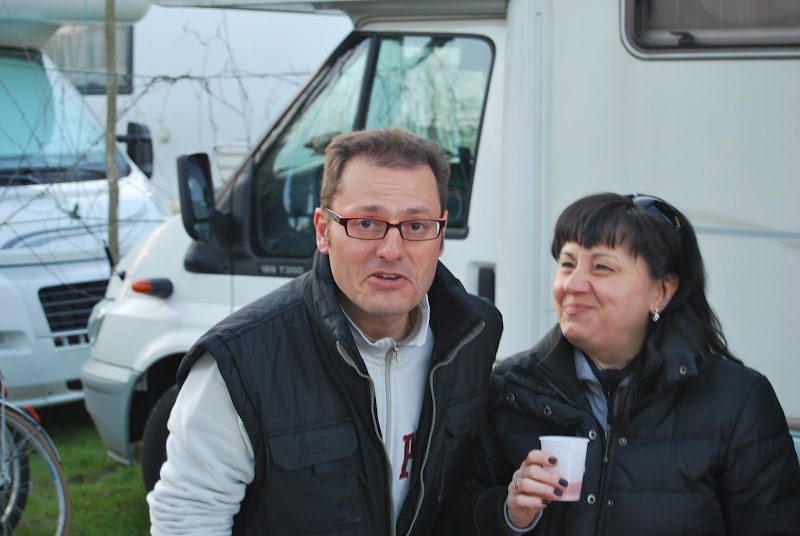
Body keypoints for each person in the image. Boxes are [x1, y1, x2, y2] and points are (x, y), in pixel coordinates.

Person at [147, 127, 503, 535]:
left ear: (440, 237)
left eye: (417, 225)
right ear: (322, 230)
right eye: (366, 223)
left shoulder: (472, 336)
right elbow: (188, 519)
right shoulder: (240, 364)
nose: (391, 249)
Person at [442, 193, 800, 535]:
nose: (573, 284)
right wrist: (509, 514)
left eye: (601, 267)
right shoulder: (511, 389)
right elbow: (452, 518)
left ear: (662, 292)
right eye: (567, 264)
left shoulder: (737, 401)